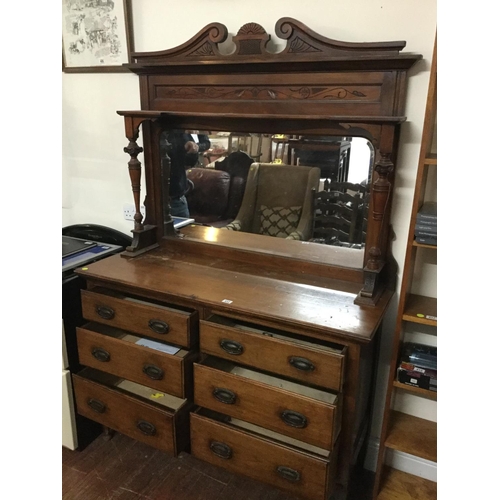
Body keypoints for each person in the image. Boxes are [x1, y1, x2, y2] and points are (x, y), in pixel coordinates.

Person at [160, 130, 211, 217]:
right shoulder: (168, 134)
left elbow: (190, 161)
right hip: (167, 197)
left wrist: (192, 149)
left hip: (176, 197)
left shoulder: (181, 134)